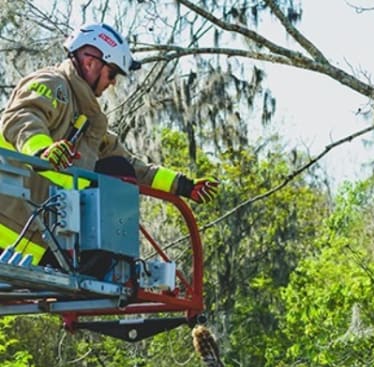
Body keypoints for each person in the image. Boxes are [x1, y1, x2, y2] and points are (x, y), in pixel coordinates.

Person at [0, 23, 219, 266]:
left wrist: (182, 185)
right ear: (91, 61)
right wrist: (41, 150)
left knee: (117, 168)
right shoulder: (53, 83)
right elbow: (22, 117)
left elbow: (130, 166)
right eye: (112, 72)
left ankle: (99, 266)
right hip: (10, 224)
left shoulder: (88, 121)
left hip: (36, 242)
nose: (113, 82)